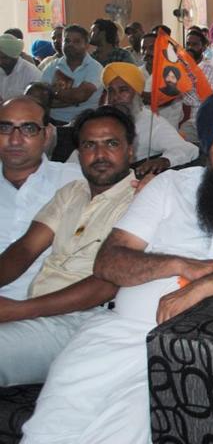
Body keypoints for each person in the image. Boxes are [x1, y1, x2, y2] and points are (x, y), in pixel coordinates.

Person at [21, 92, 213, 443]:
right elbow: (109, 261)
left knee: (119, 433)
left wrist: (206, 284)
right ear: (207, 150)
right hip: (118, 333)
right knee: (48, 427)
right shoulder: (170, 185)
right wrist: (179, 264)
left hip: (191, 351)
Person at [0, 105, 137, 387]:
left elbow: (106, 284)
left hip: (84, 321)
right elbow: (25, 249)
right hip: (37, 314)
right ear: (79, 152)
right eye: (89, 145)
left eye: (111, 144)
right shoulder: (72, 192)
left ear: (130, 151)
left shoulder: (142, 199)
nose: (100, 155)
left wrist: (17, 311)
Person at [0, 97, 82, 300]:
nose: (15, 139)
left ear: (46, 134)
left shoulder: (78, 180)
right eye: (5, 128)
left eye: (28, 128)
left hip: (45, 309)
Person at [83, 63, 197, 174]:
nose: (115, 97)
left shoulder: (152, 123)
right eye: (111, 91)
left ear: (138, 94)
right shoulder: (99, 120)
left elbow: (187, 149)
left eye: (123, 90)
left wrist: (164, 161)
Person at [41, 25, 104, 126]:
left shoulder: (95, 68)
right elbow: (41, 97)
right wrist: (72, 101)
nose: (70, 44)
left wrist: (54, 91)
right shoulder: (52, 66)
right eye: (67, 41)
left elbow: (79, 96)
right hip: (52, 122)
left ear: (87, 45)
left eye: (76, 41)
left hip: (83, 123)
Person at [138, 32, 184, 129]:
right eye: (143, 48)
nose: (147, 52)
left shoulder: (173, 71)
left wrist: (136, 91)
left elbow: (162, 100)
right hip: (142, 127)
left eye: (151, 48)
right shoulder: (137, 72)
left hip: (167, 128)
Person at [0, 33, 42, 102]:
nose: (0, 62)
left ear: (14, 56)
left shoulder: (32, 73)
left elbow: (37, 103)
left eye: (4, 58)